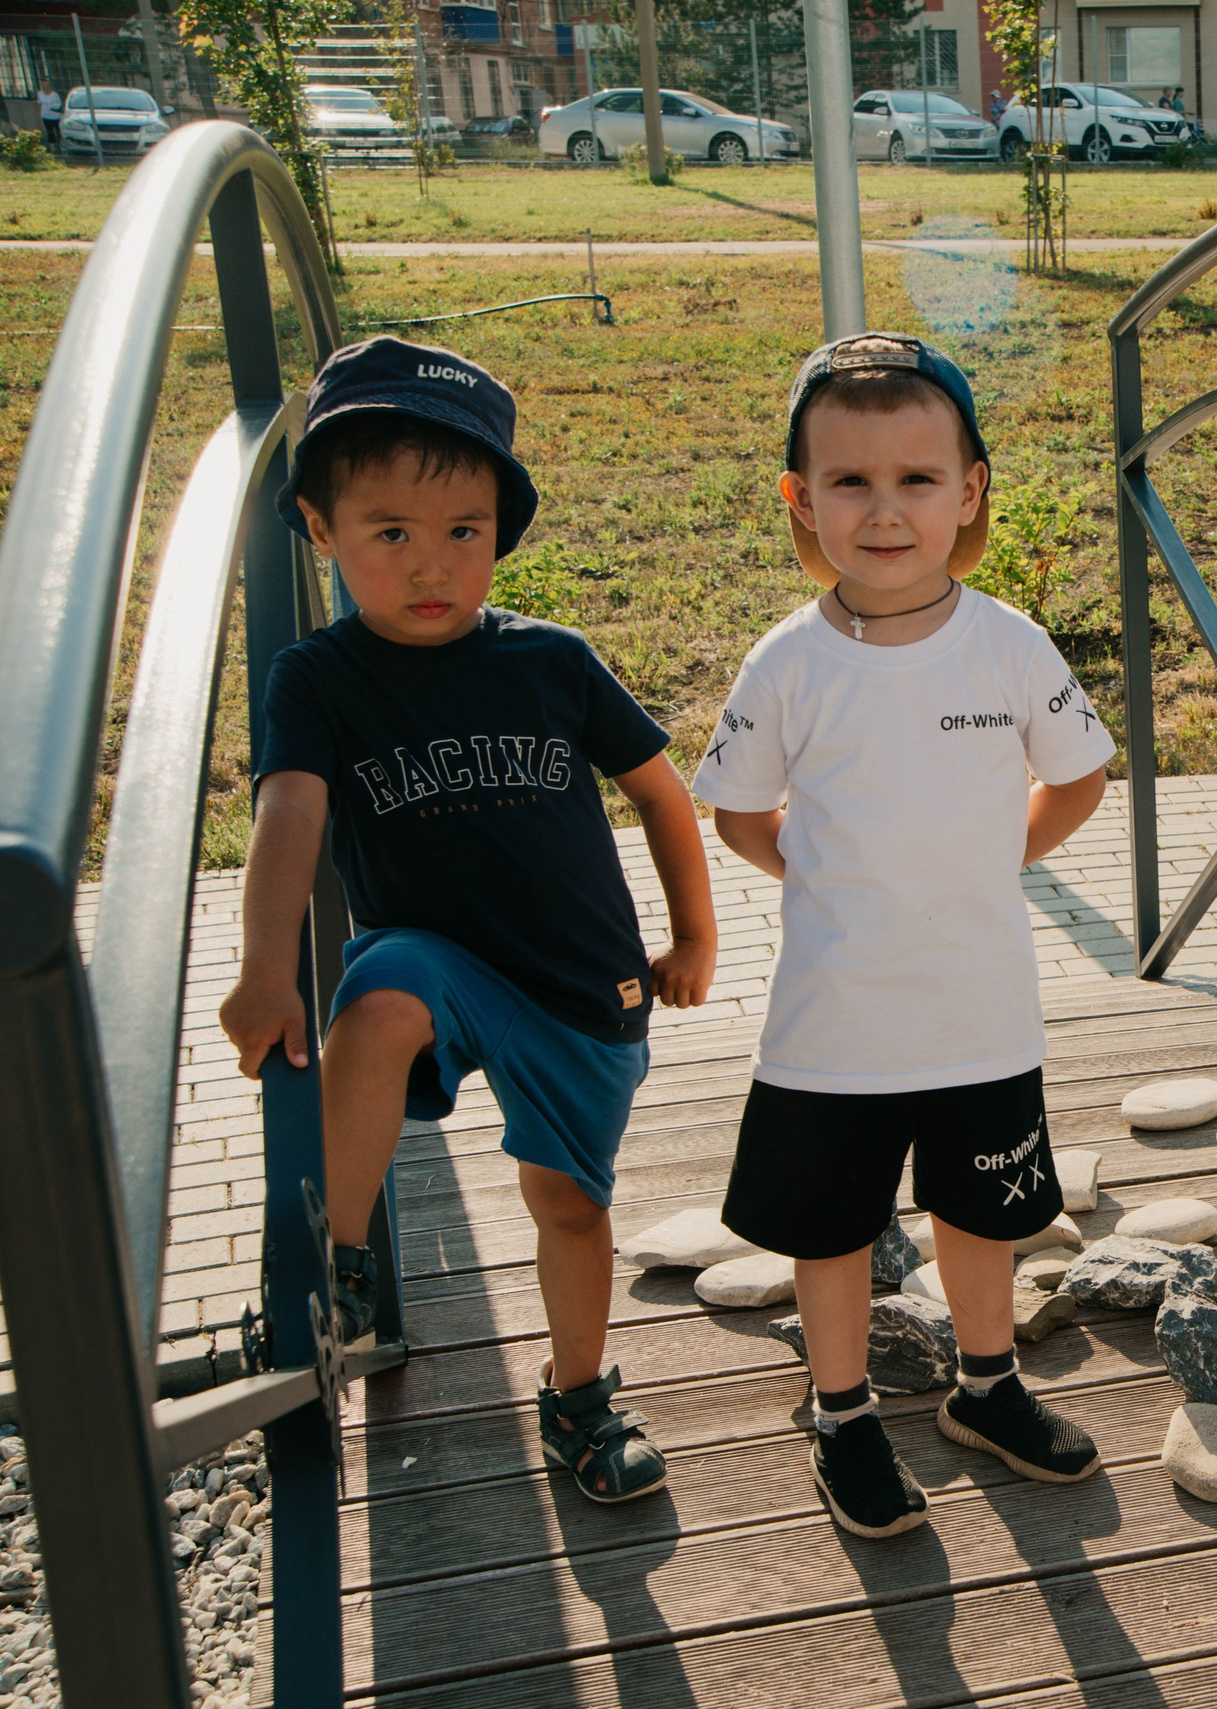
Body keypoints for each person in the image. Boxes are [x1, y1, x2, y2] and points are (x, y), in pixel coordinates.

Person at [218, 336, 718, 1506]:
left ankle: (581, 1396)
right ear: (319, 529)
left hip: (578, 982)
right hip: (435, 958)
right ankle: (332, 1270)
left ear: (500, 529)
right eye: (389, 532)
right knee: (377, 996)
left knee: (573, 1207)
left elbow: (656, 787)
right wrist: (260, 967)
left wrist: (692, 935)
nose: (431, 564)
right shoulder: (320, 677)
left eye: (465, 532)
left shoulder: (551, 659)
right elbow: (290, 810)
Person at [693, 332, 1118, 1539]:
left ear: (971, 489)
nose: (885, 511)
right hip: (834, 1024)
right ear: (801, 499)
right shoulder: (789, 661)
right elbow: (739, 813)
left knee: (982, 1213)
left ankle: (988, 1386)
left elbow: (1078, 776)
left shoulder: (1010, 642)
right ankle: (841, 1413)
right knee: (830, 1229)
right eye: (850, 482)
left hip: (978, 1010)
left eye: (918, 479)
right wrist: (830, 872)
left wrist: (993, 856)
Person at [38, 82, 61, 152]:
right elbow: (39, 103)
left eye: (47, 85)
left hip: (55, 116)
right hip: (45, 116)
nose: (46, 87)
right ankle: (52, 148)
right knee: (50, 131)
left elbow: (59, 103)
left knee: (58, 131)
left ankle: (60, 146)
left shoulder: (55, 95)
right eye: (44, 86)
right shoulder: (40, 94)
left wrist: (53, 106)